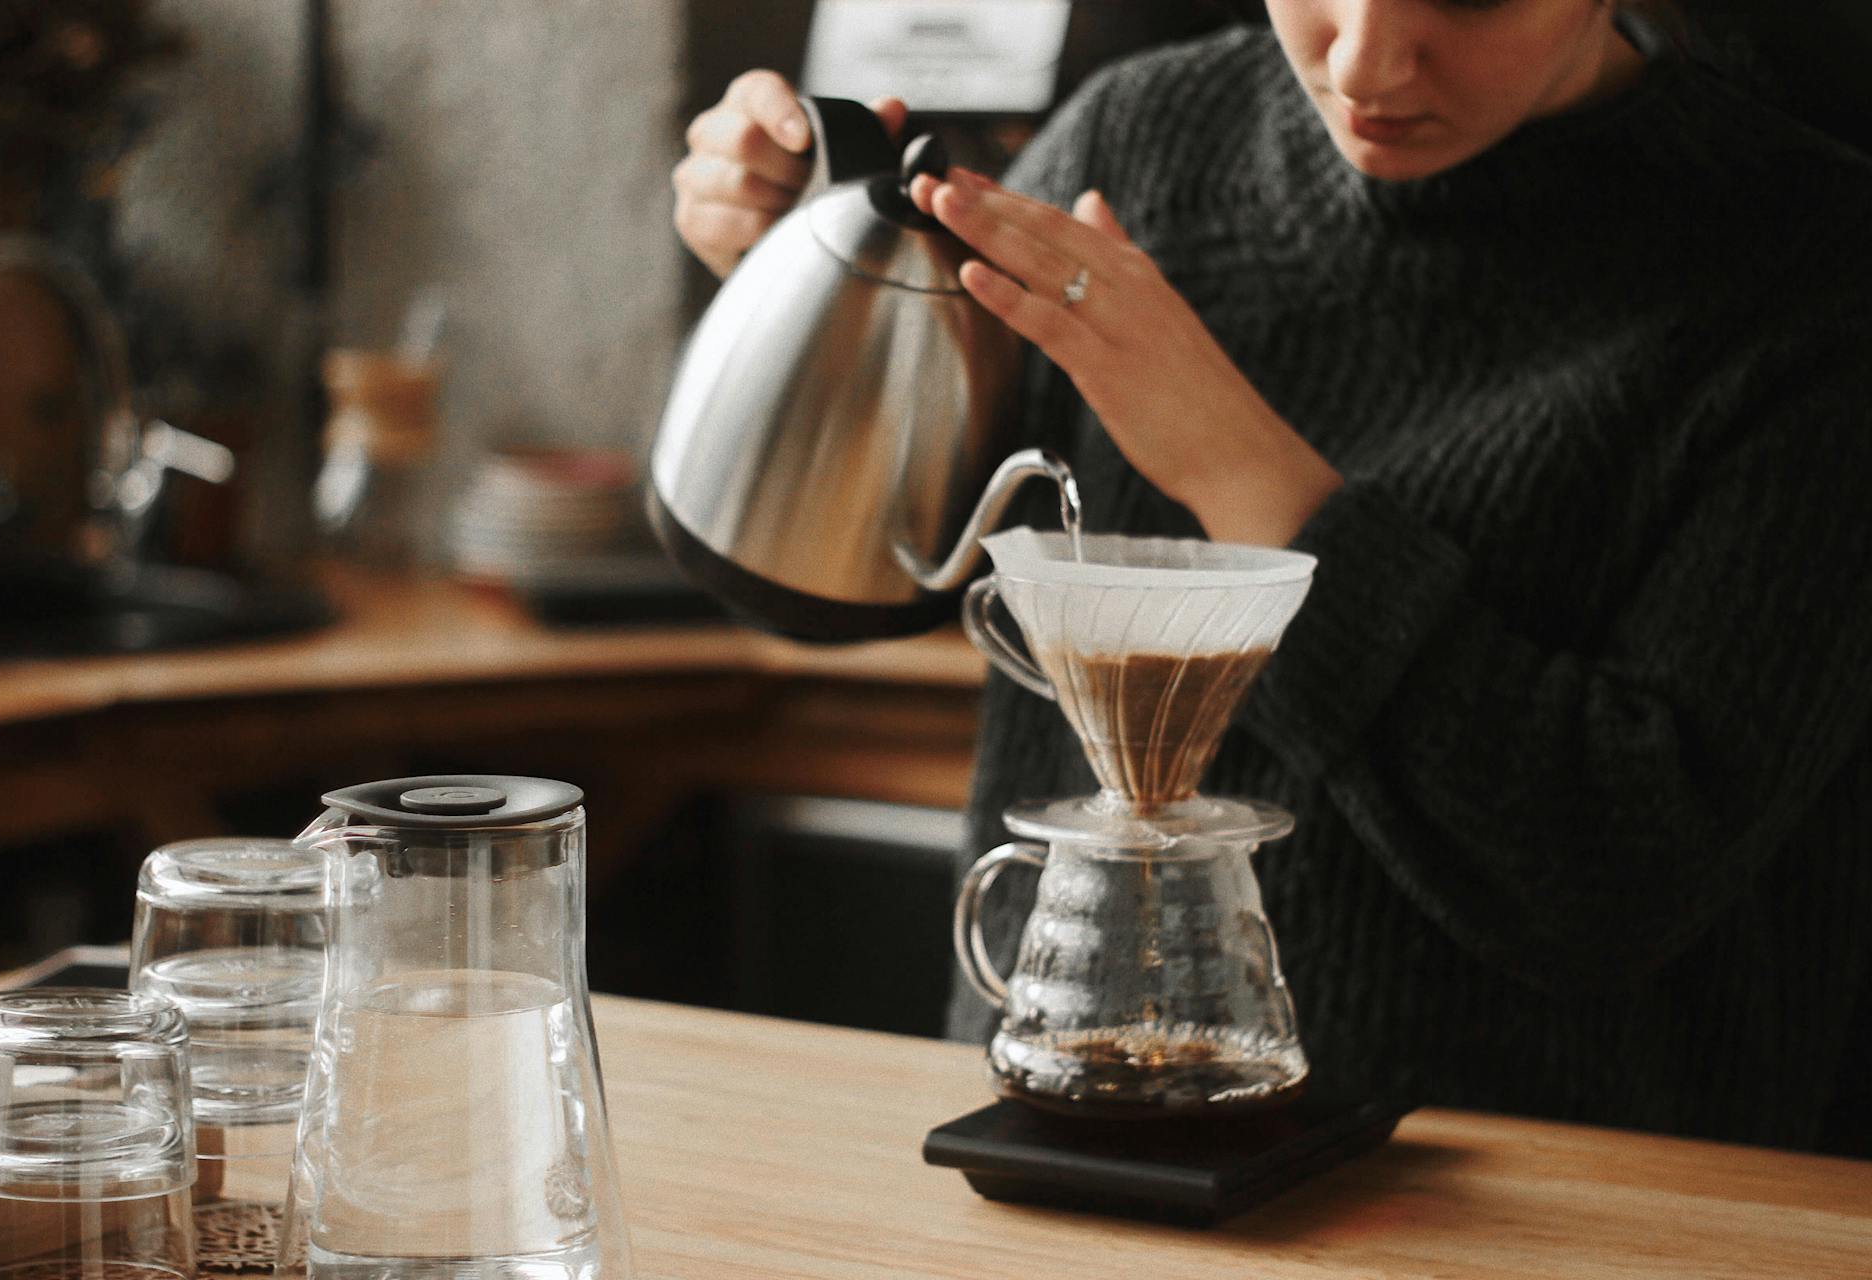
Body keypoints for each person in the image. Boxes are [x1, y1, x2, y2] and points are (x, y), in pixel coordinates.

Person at [671, 0, 1872, 1154]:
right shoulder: (1142, 138)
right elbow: (850, 582)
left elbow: (1616, 867)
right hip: (1066, 1154)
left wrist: (1237, 467)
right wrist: (809, 288)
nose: (1364, 62)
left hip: (1557, 1214)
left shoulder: (1811, 276)